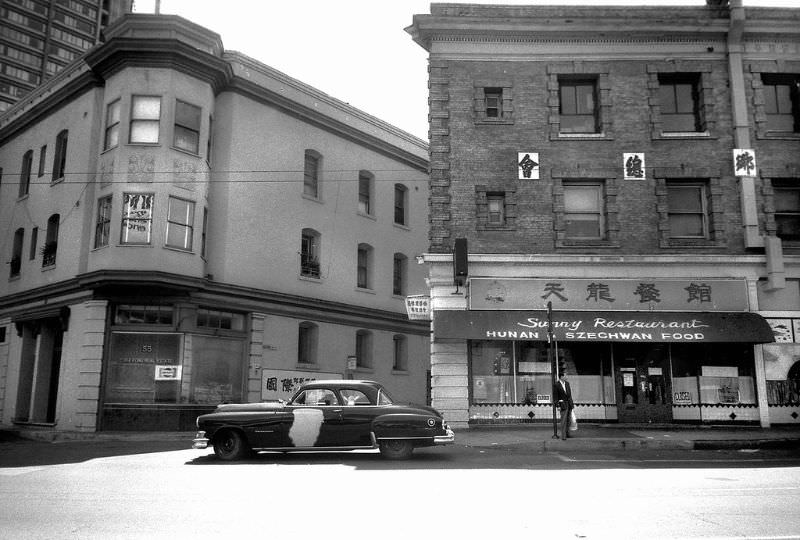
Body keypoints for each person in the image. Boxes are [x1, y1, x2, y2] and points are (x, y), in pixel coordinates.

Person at [553, 372, 574, 440]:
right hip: (562, 405)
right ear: (561, 377)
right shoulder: (556, 385)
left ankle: (568, 434)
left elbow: (569, 395)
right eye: (565, 375)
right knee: (564, 420)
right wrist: (558, 406)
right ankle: (563, 436)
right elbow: (555, 397)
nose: (566, 376)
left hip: (569, 404)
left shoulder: (567, 383)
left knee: (568, 420)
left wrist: (572, 404)